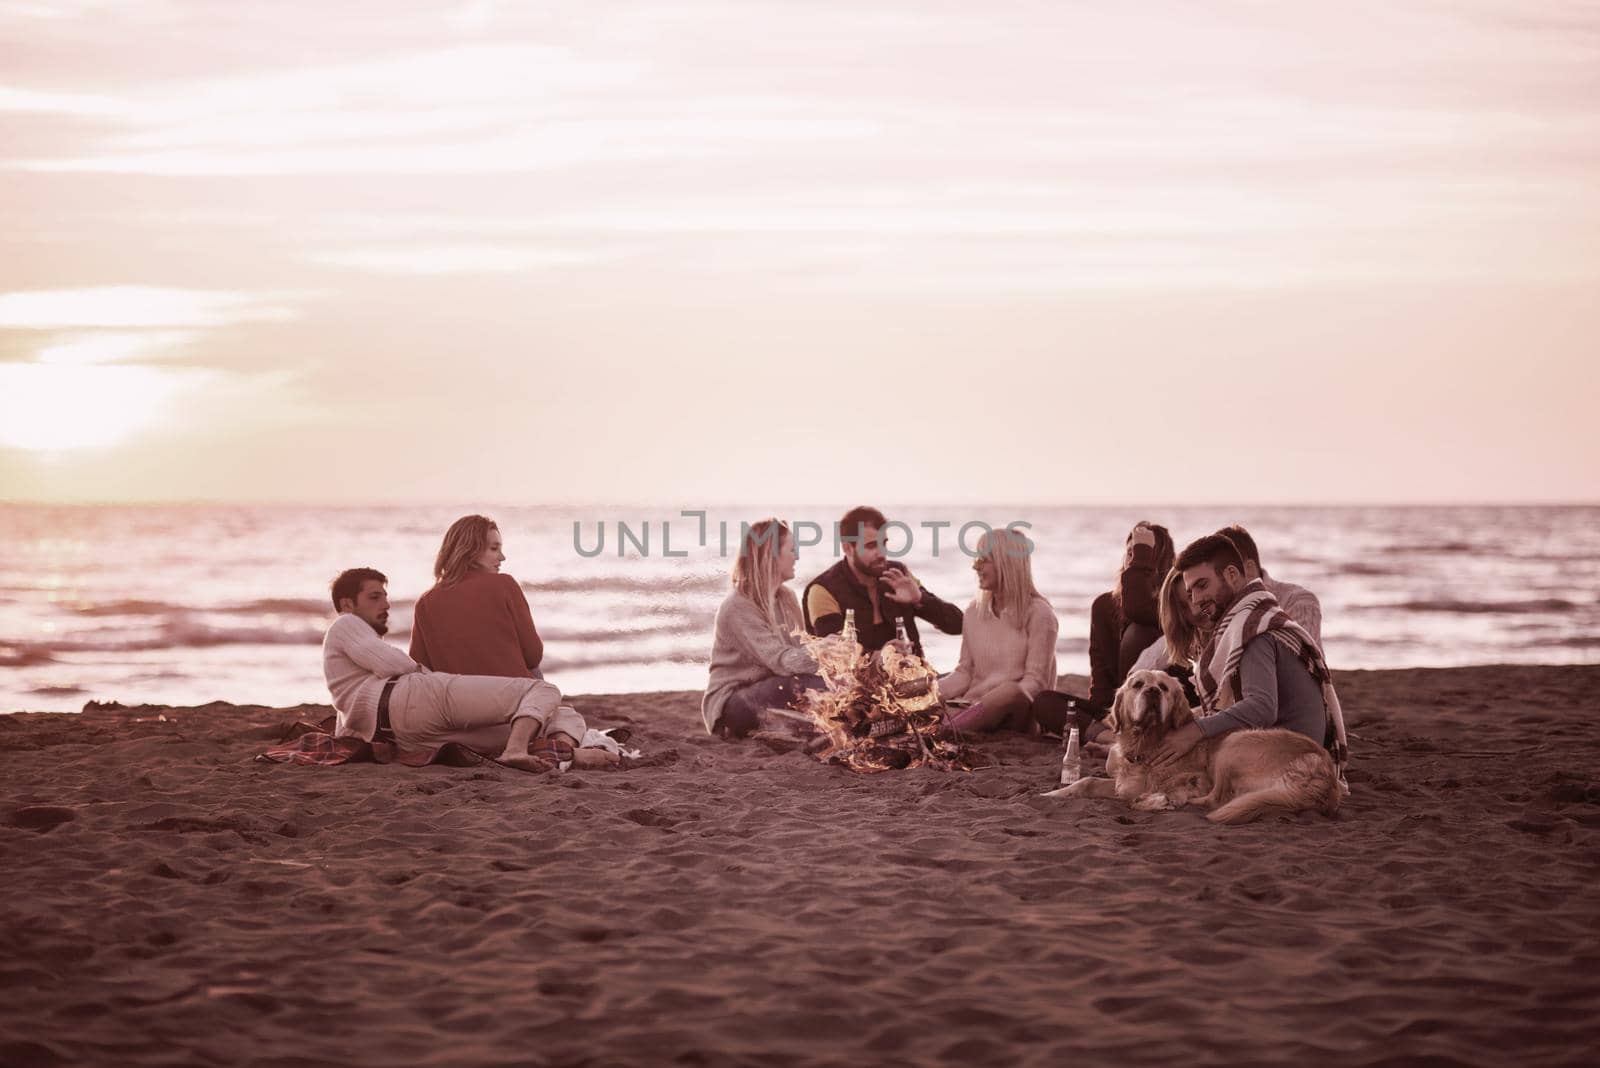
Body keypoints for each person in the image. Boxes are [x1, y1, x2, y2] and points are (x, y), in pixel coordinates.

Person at [324, 567, 583, 772]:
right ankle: (516, 751)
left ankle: (559, 750)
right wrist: (419, 670)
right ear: (347, 605)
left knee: (558, 716)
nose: (386, 604)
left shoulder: (352, 668)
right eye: (374, 597)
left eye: (385, 596)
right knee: (543, 689)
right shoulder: (345, 624)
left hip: (404, 734)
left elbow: (345, 727)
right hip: (415, 698)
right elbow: (393, 664)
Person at [1149, 535, 1349, 791]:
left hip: (1290, 763)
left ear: (1232, 574)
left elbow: (1262, 707)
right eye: (1190, 592)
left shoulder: (1254, 629)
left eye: (1202, 585)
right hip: (1293, 753)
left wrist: (1195, 730)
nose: (1196, 600)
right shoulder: (1255, 616)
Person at [703, 519, 826, 738]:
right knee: (796, 685)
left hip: (774, 687)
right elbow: (782, 661)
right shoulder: (738, 606)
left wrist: (835, 657)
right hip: (733, 702)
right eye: (792, 549)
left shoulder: (786, 597)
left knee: (826, 683)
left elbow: (800, 651)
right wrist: (824, 653)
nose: (797, 556)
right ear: (772, 554)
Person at [934, 527, 1058, 737]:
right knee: (924, 692)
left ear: (1006, 564)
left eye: (984, 560)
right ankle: (948, 727)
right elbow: (964, 672)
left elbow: (1036, 683)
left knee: (1009, 691)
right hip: (972, 708)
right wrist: (930, 692)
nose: (975, 567)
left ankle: (946, 730)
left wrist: (989, 698)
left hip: (1017, 712)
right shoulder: (973, 612)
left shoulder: (1039, 614)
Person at [802, 505, 963, 657]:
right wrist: (882, 656)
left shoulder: (897, 574)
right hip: (856, 686)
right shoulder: (822, 590)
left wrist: (920, 599)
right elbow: (836, 657)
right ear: (847, 548)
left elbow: (959, 625)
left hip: (915, 680)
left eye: (883, 543)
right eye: (872, 546)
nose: (881, 553)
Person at [410, 514, 544, 679]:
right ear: (470, 550)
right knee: (535, 673)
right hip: (514, 696)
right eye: (494, 549)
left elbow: (420, 669)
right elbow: (533, 656)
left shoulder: (425, 602)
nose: (502, 557)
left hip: (459, 701)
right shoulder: (504, 585)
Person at [1087, 521, 1175, 712]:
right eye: (1131, 553)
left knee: (1137, 631)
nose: (1133, 560)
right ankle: (1104, 733)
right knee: (1045, 703)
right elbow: (1100, 680)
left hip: (1154, 707)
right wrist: (1099, 712)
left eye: (1142, 553)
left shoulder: (1171, 605)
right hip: (1115, 709)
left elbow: (1137, 608)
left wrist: (1141, 559)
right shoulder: (1104, 605)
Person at [1215, 524, 1323, 647]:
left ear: (1248, 568)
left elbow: (1298, 656)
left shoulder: (1299, 600)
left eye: (1226, 575)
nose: (1219, 585)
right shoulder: (1219, 608)